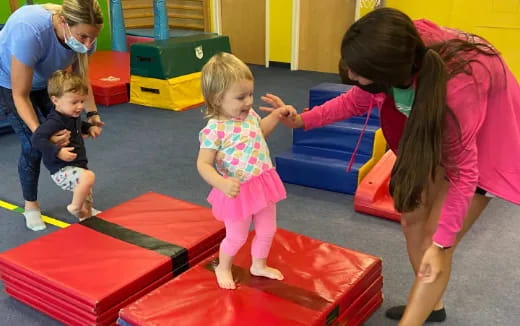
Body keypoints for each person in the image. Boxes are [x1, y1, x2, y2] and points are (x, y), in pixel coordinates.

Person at [261, 8, 520, 326]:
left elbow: (466, 170)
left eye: (359, 72)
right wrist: (303, 120)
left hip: (482, 148)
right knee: (412, 220)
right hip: (432, 137)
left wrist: (441, 245)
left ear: (388, 72)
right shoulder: (396, 57)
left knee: (435, 240)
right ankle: (432, 303)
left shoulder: (458, 93)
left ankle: (415, 314)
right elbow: (356, 99)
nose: (352, 77)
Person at [0, 0, 104, 231]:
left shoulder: (85, 38)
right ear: (64, 22)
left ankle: (84, 207)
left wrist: (92, 114)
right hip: (9, 82)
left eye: (92, 38)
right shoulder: (31, 31)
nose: (87, 44)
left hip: (47, 82)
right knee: (32, 146)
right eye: (83, 37)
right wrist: (43, 136)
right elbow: (20, 94)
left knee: (71, 130)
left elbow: (80, 81)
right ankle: (31, 205)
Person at [197, 53, 294, 290]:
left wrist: (275, 116)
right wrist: (221, 183)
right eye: (241, 97)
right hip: (236, 191)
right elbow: (203, 164)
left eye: (250, 94)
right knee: (237, 236)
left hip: (262, 182)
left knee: (268, 230)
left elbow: (258, 133)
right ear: (218, 99)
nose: (248, 101)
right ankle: (223, 266)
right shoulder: (215, 130)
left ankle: (258, 265)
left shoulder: (249, 115)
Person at [32, 70, 100, 221]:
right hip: (61, 169)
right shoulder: (54, 122)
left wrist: (89, 128)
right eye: (74, 102)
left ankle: (84, 215)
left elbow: (78, 124)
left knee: (87, 198)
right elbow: (37, 139)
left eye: (82, 101)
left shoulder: (70, 115)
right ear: (55, 100)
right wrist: (57, 152)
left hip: (78, 164)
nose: (80, 106)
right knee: (88, 178)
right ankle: (74, 207)